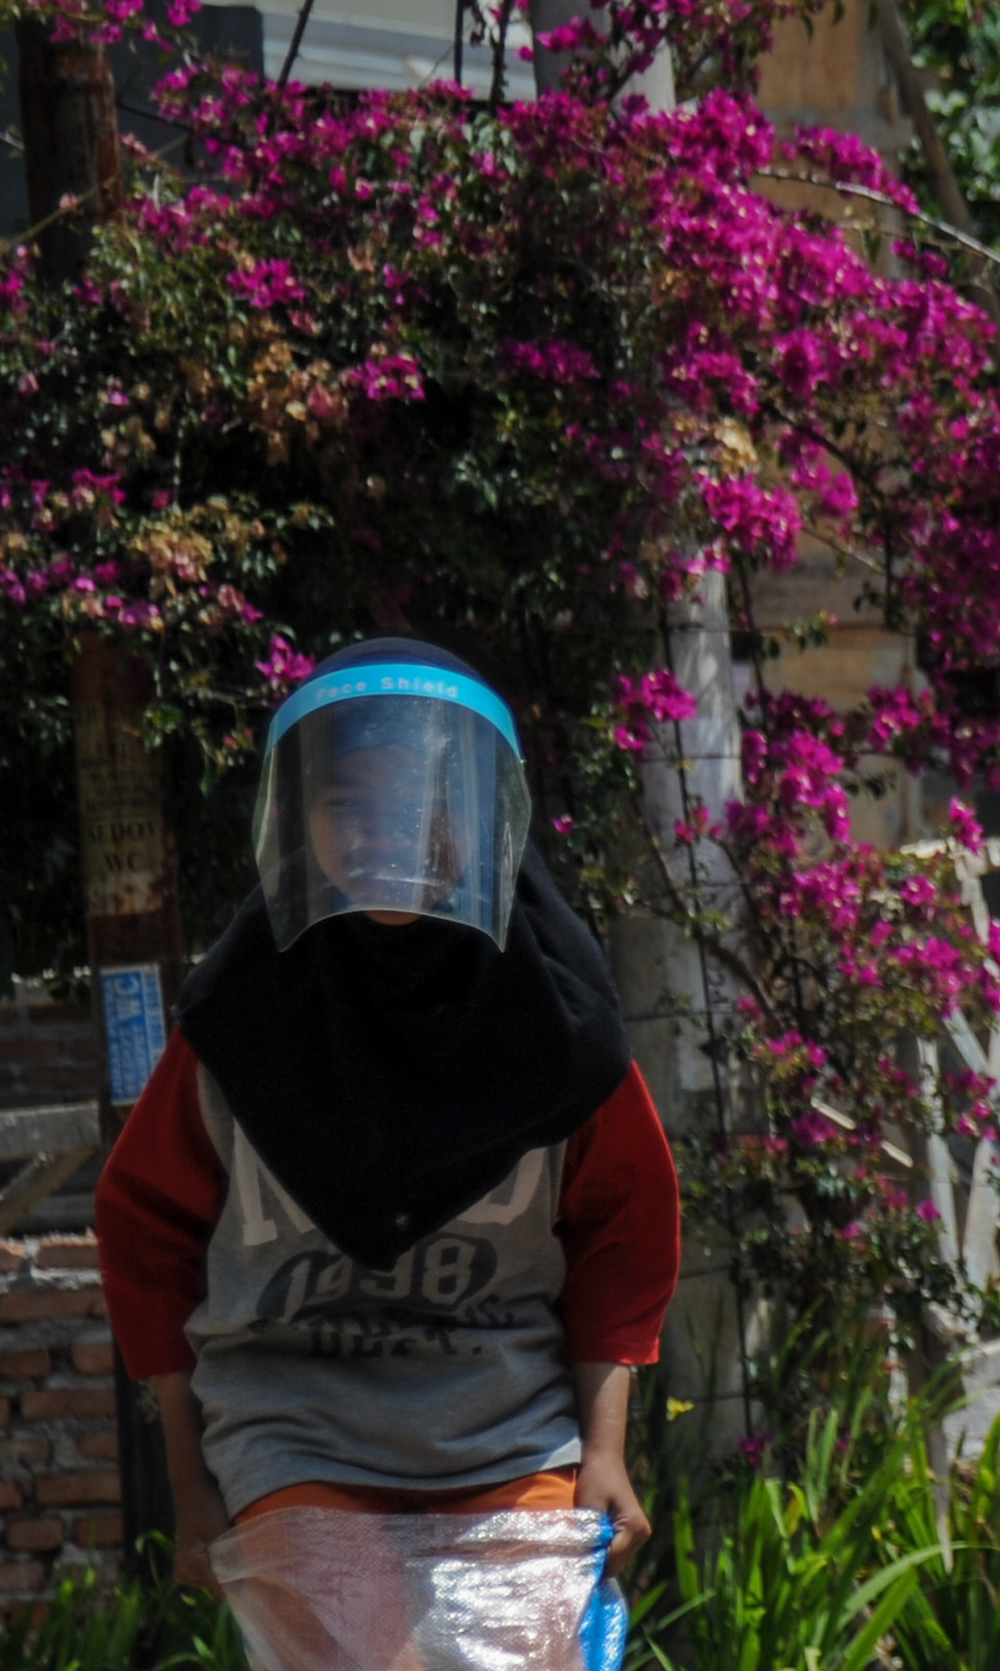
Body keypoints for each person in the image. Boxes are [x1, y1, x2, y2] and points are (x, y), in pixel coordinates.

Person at [96, 640, 680, 1563]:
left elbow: (622, 1227)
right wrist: (189, 1479)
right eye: (345, 802)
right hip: (289, 1428)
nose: (384, 829)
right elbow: (149, 1234)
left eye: (417, 798)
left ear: (485, 813)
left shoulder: (561, 1029)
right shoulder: (238, 1025)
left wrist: (605, 1450)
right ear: (296, 821)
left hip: (510, 1429)